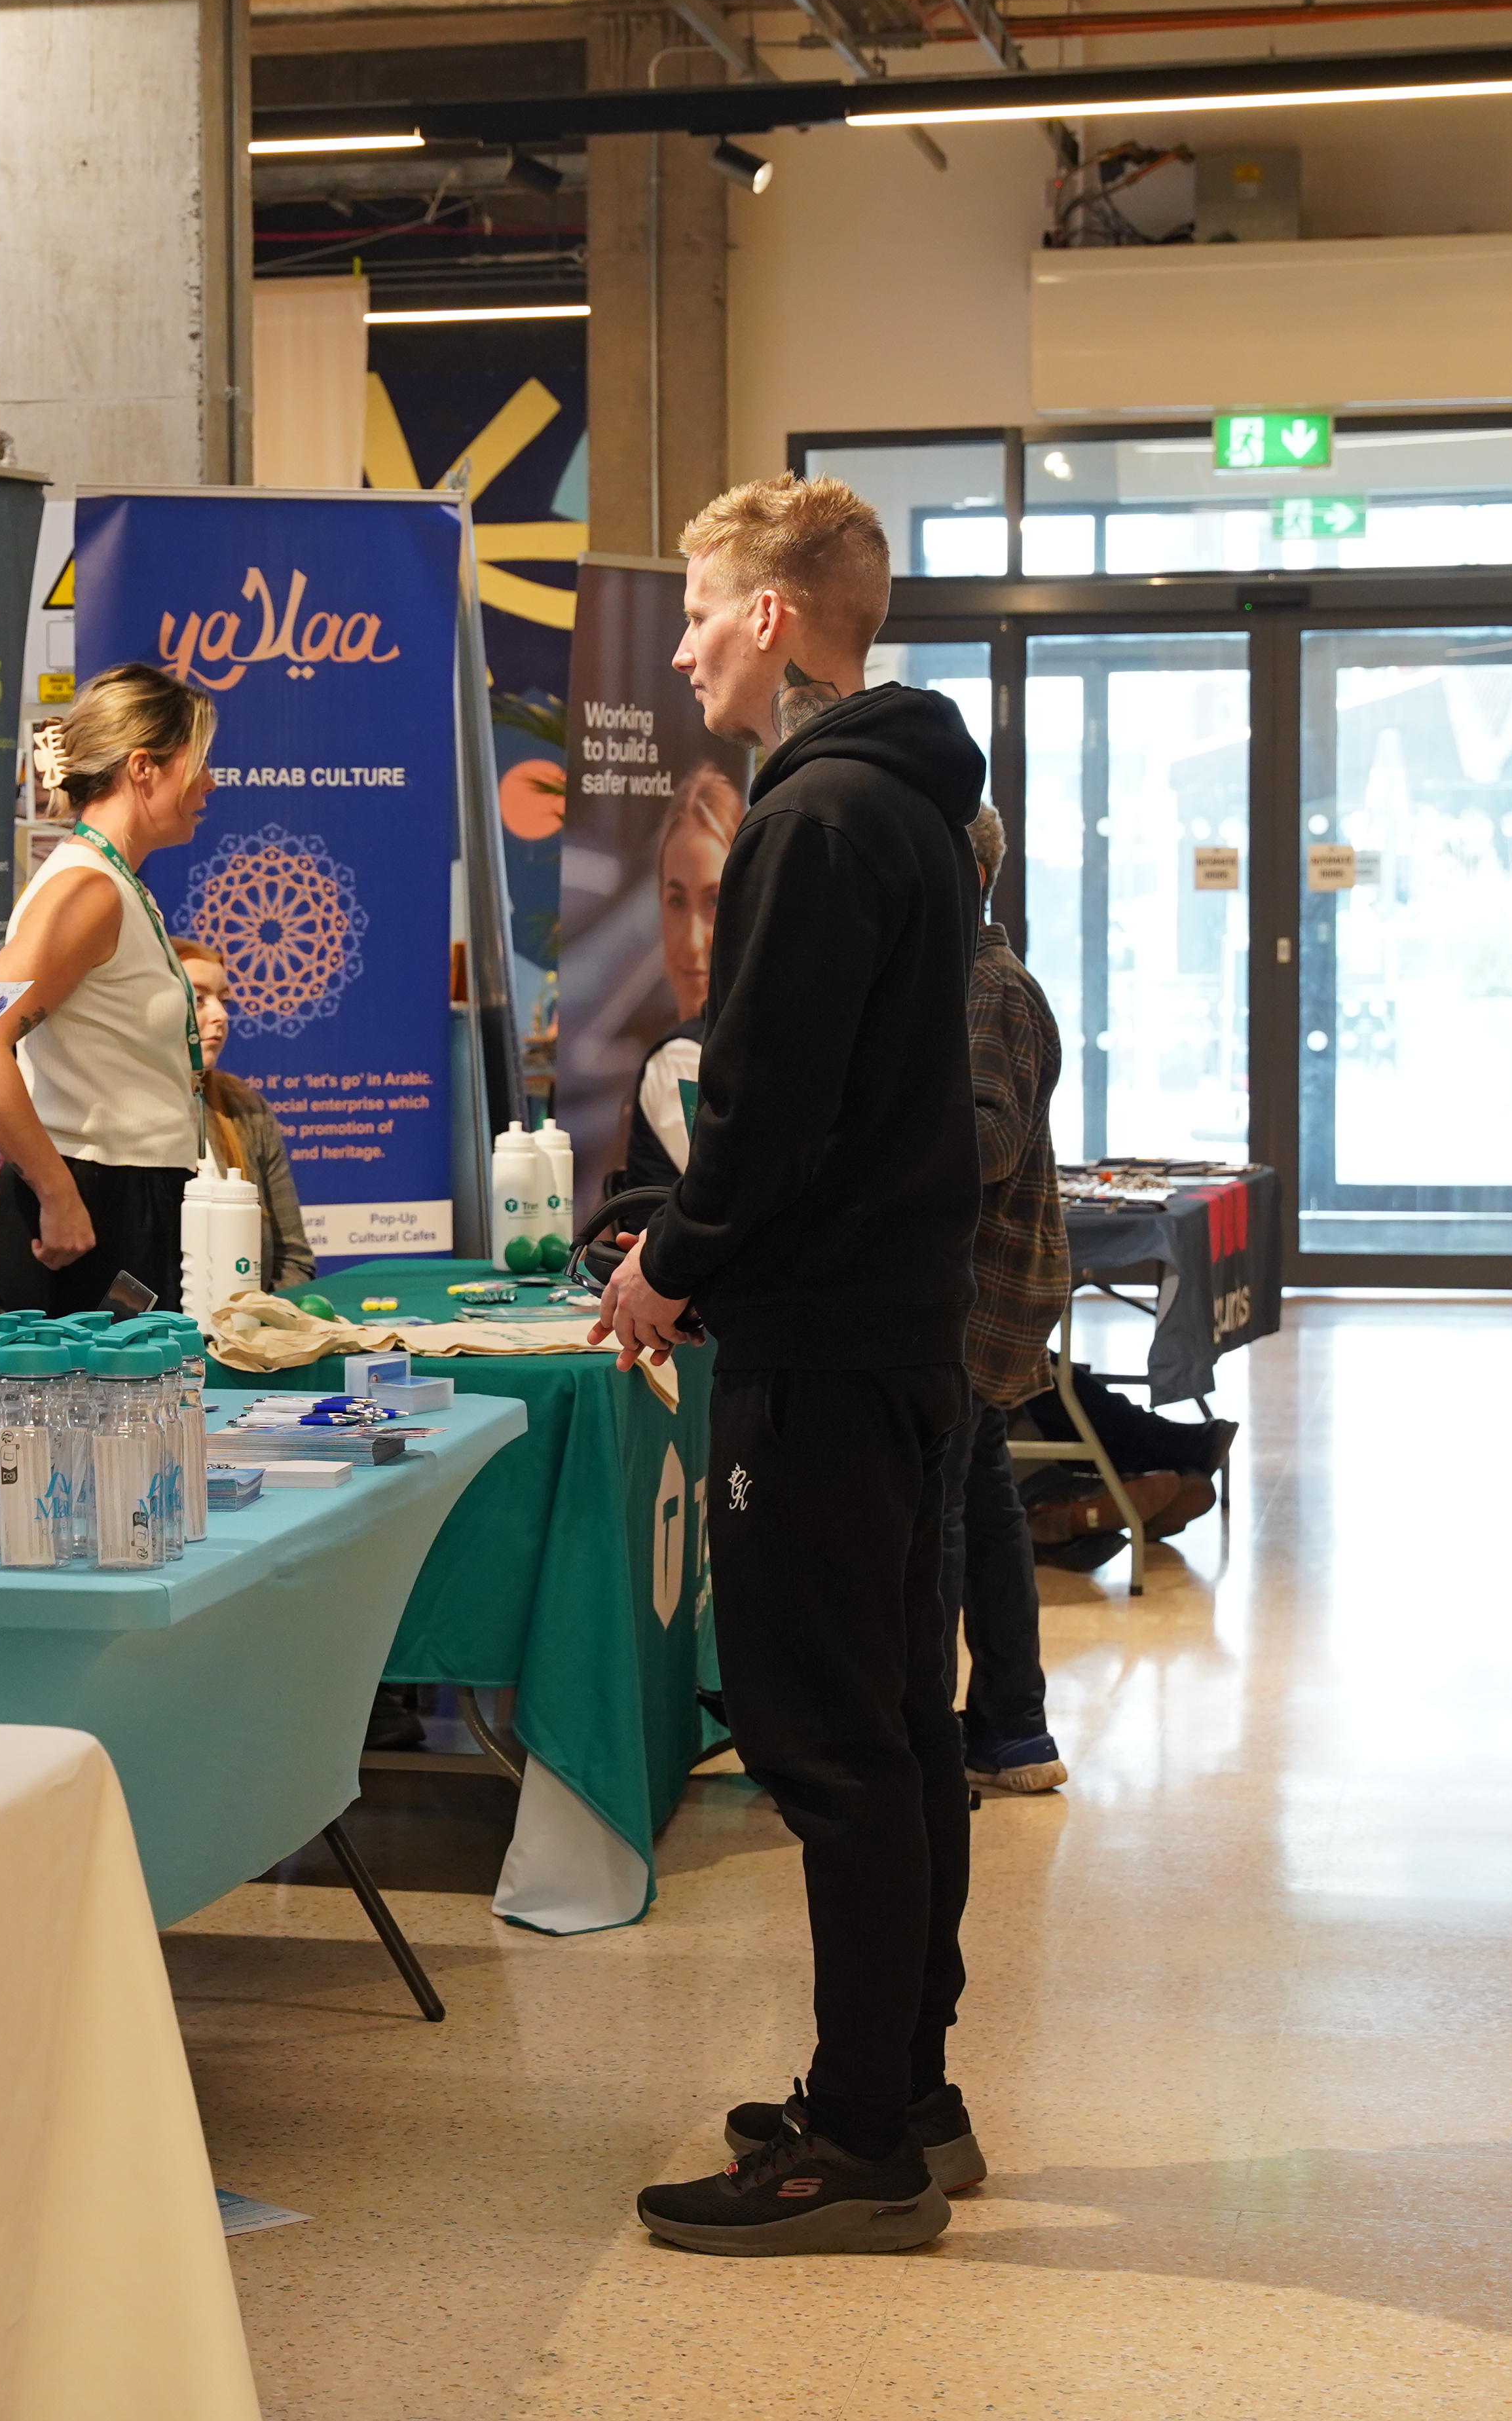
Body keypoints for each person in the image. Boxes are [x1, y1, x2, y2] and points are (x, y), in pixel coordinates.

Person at [593, 473, 990, 2257]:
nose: (681, 652)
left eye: (698, 615)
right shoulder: (909, 800)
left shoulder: (814, 815)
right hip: (894, 1335)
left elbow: (766, 1105)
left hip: (820, 1349)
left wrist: (671, 1262)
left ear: (770, 615)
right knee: (898, 1728)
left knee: (830, 1746)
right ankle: (902, 2089)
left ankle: (858, 2142)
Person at [0, 665, 217, 1314]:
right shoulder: (88, 889)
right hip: (95, 1210)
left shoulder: (109, 882)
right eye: (199, 763)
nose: (210, 782)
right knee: (111, 1386)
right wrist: (57, 1192)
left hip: (125, 1197)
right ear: (143, 768)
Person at [946, 801, 1073, 1799]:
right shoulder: (967, 983)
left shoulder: (988, 991)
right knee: (983, 1506)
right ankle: (1011, 1729)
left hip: (977, 1287)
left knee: (943, 1513)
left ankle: (932, 1739)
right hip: (980, 1281)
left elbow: (986, 1145)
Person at [614, 766, 743, 1198]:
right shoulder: (673, 1061)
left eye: (715, 900)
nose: (691, 941)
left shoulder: (688, 1060)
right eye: (676, 901)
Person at [178, 939, 315, 1291]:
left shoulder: (246, 1107)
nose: (221, 1016)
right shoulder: (119, 1119)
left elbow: (293, 1260)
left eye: (224, 1001)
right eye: (199, 999)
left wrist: (259, 1320)